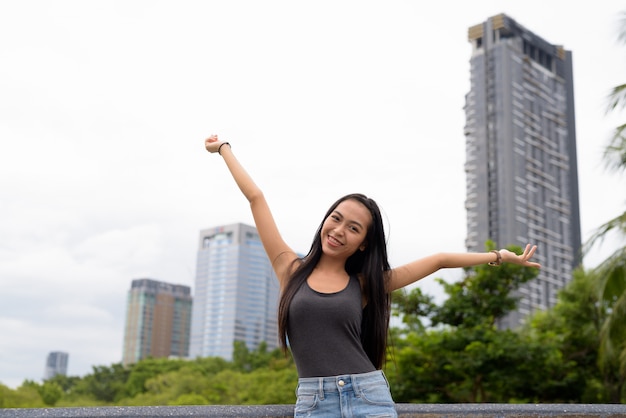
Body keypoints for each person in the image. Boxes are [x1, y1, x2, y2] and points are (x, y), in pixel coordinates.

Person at [204, 134, 541, 418]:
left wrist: (498, 256)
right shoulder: (288, 268)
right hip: (314, 403)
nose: (338, 231)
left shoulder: (366, 285)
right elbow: (256, 197)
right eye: (335, 219)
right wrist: (224, 148)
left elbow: (438, 260)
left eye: (353, 228)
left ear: (363, 243)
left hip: (368, 397)